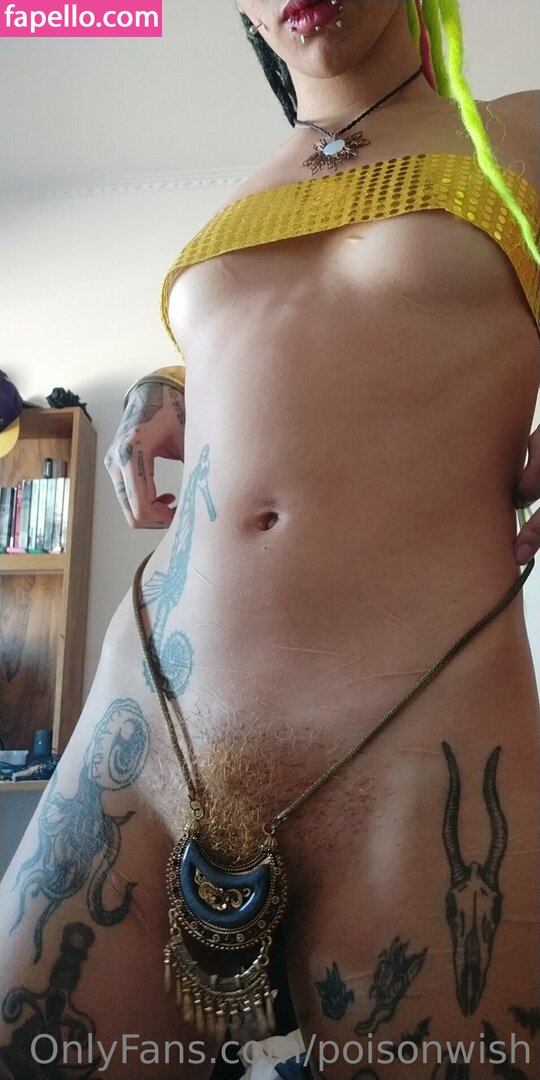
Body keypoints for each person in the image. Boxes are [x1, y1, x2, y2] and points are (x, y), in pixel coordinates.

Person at [1, 2, 540, 1078]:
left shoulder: (517, 132)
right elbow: (283, 356)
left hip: (419, 743)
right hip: (149, 710)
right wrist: (160, 392)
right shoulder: (247, 191)